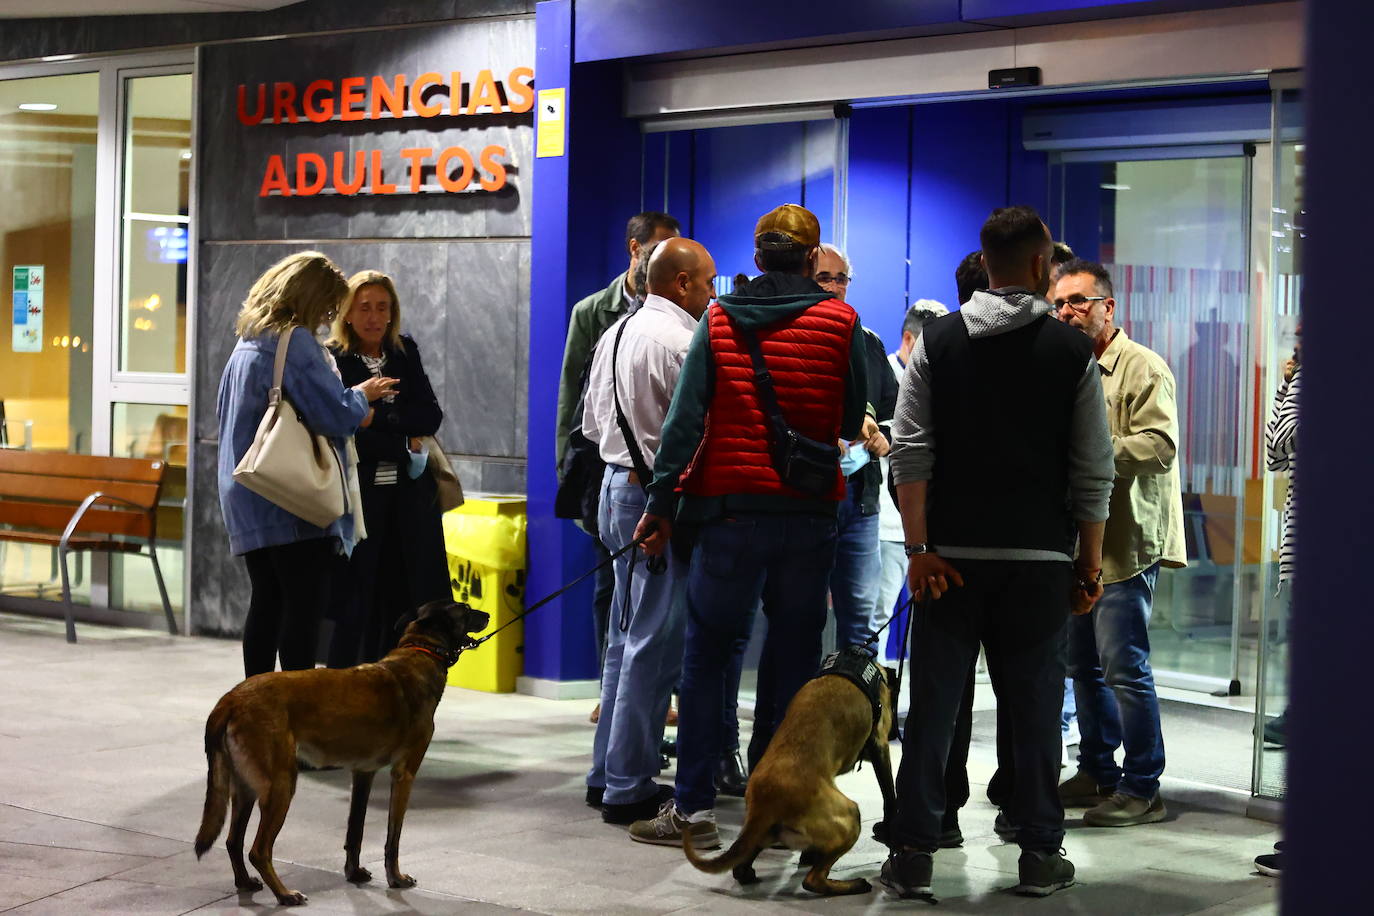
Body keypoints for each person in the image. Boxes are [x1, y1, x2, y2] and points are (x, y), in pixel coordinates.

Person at [882, 206, 1114, 898]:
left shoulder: (938, 344)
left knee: (933, 713)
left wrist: (918, 547)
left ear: (984, 265)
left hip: (946, 560)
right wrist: (1088, 564)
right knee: (1037, 712)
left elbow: (910, 454)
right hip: (1040, 563)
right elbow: (1092, 472)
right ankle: (1040, 853)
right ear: (1043, 265)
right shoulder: (1073, 353)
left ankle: (914, 853)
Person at [626, 203, 867, 849]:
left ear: (757, 259)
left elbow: (684, 423)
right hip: (809, 517)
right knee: (792, 664)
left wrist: (660, 508)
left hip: (730, 515)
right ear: (814, 261)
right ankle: (780, 809)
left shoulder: (721, 317)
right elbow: (848, 423)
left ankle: (694, 808)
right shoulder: (842, 322)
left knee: (706, 660)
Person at [581, 238, 717, 825]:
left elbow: (590, 425)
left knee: (623, 638)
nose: (714, 293)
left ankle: (606, 773)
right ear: (681, 283)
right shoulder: (683, 341)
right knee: (653, 644)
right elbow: (698, 431)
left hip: (615, 487)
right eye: (708, 282)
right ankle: (629, 784)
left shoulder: (614, 335)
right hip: (656, 501)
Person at [1051, 258, 1185, 827]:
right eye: (1059, 303)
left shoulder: (1142, 367)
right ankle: (1099, 771)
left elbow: (1160, 446)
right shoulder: (1065, 367)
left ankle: (1143, 786)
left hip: (1124, 545)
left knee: (1124, 668)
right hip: (1077, 544)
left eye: (1079, 302)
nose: (1067, 312)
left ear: (1109, 307)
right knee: (1082, 666)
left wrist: (1092, 447)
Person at [217, 251, 391, 678]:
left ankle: (255, 703)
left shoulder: (248, 339)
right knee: (301, 607)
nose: (330, 315)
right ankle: (300, 712)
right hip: (290, 493)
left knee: (267, 601)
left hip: (246, 488)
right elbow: (332, 413)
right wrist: (362, 395)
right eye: (329, 305)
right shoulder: (293, 342)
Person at [558, 211, 682, 721]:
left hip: (647, 476)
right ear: (634, 250)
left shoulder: (681, 313)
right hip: (611, 471)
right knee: (611, 587)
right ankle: (612, 695)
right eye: (657, 249)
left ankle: (646, 697)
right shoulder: (595, 312)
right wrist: (569, 471)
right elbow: (573, 394)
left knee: (648, 599)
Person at [324, 270, 450, 667]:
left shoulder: (403, 351)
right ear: (346, 313)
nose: (374, 317)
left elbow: (429, 415)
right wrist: (399, 436)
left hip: (409, 493)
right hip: (361, 493)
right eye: (364, 308)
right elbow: (342, 427)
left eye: (382, 307)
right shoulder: (334, 357)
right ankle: (343, 686)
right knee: (357, 595)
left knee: (407, 591)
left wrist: (378, 418)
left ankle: (398, 684)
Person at [815, 243, 893, 653]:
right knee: (802, 617)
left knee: (861, 621)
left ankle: (860, 715)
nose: (833, 287)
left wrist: (884, 433)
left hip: (861, 501)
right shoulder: (792, 338)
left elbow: (896, 410)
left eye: (840, 278)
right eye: (822, 278)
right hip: (809, 500)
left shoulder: (869, 342)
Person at [874, 299, 948, 652]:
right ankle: (873, 697)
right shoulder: (884, 376)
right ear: (908, 338)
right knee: (878, 612)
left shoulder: (946, 381)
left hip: (933, 524)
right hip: (888, 522)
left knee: (933, 616)